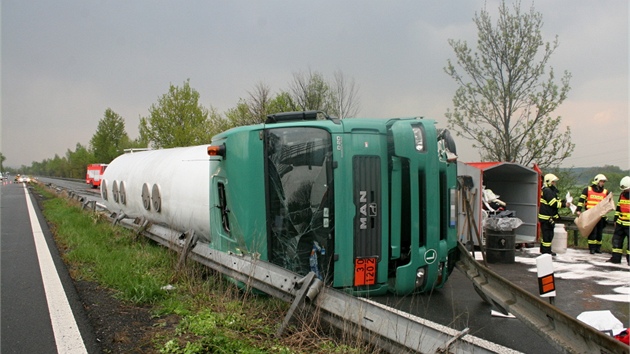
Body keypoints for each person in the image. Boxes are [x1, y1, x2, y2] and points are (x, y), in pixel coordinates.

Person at [576, 174, 612, 254]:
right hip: (590, 215)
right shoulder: (587, 190)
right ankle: (592, 248)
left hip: (600, 216)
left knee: (599, 233)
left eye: (603, 182)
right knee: (593, 232)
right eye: (602, 181)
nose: (603, 183)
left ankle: (597, 248)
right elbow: (581, 201)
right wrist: (578, 210)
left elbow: (609, 203)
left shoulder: (605, 192)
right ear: (597, 181)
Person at [538, 174, 567, 256]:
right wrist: (564, 205)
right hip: (546, 218)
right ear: (548, 182)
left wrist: (563, 201)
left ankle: (544, 250)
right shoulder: (547, 191)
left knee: (548, 235)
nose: (555, 183)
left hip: (548, 217)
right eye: (553, 181)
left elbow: (555, 201)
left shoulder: (549, 191)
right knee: (547, 235)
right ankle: (546, 251)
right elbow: (553, 203)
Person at [607, 176, 630, 264]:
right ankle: (616, 259)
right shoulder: (622, 195)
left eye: (626, 189)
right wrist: (615, 219)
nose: (624, 191)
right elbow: (619, 208)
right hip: (620, 223)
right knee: (616, 242)